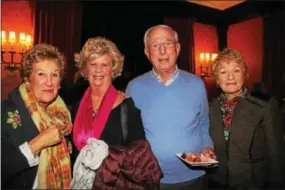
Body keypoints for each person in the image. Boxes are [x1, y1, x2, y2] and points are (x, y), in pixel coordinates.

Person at [126, 24, 215, 190]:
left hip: (194, 177)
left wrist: (207, 146)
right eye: (155, 45)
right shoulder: (133, 88)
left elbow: (204, 123)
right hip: (151, 178)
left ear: (178, 48)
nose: (162, 51)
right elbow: (130, 135)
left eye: (167, 43)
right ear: (147, 52)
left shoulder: (197, 84)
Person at [70, 37, 162, 189]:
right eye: (93, 64)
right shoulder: (77, 107)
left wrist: (109, 159)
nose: (98, 70)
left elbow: (142, 161)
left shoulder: (126, 108)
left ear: (113, 69)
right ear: (85, 69)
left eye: (104, 65)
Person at [208, 48, 284, 189]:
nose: (231, 77)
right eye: (223, 72)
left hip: (253, 184)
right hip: (217, 182)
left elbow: (276, 153)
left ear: (245, 74)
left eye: (236, 70)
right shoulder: (209, 107)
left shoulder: (265, 105)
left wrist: (277, 184)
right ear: (217, 79)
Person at [1, 44, 73, 189]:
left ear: (60, 83)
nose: (49, 82)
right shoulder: (5, 111)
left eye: (55, 74)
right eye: (41, 74)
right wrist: (37, 144)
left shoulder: (63, 116)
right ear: (28, 78)